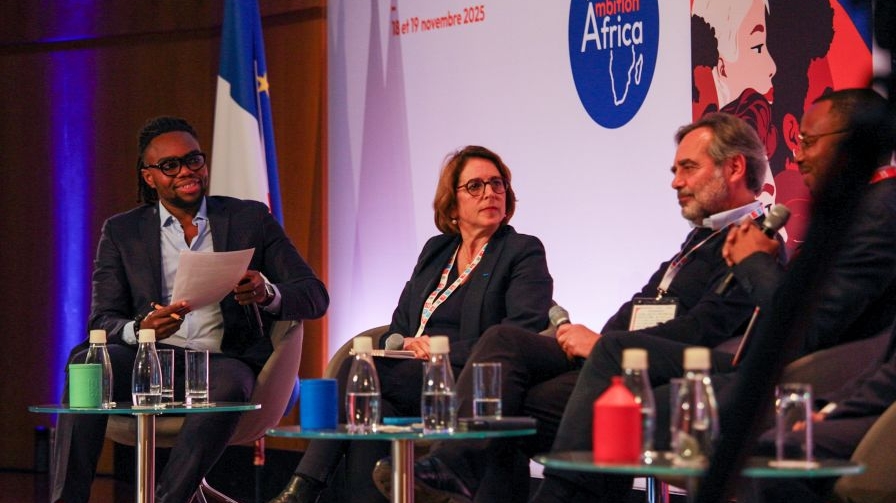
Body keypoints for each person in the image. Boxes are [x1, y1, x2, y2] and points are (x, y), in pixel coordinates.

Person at [372, 112, 772, 503]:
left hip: (660, 371)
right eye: (675, 169)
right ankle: (453, 466)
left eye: (688, 168)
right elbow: (642, 303)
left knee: (506, 400)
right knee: (503, 345)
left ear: (734, 167)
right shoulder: (704, 237)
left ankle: (472, 472)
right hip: (614, 357)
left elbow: (702, 329)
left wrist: (604, 345)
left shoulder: (755, 245)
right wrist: (598, 341)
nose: (676, 181)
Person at [531, 88, 896, 503]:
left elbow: (808, 327)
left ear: (855, 142)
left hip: (803, 376)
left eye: (809, 142)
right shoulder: (854, 211)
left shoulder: (878, 211)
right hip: (756, 362)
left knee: (626, 378)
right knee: (594, 372)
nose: (797, 156)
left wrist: (753, 262)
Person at [51, 116, 330, 503]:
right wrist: (142, 329)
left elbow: (314, 295)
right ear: (149, 177)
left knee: (229, 383)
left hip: (223, 360)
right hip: (149, 360)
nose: (186, 171)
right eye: (170, 165)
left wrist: (267, 293)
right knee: (87, 364)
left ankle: (171, 498)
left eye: (193, 160)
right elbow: (102, 319)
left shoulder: (248, 219)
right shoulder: (122, 232)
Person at [267, 145, 554, 503]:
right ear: (452, 205)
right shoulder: (436, 251)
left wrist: (439, 352)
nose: (490, 193)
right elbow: (398, 326)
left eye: (497, 184)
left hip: (471, 380)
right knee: (374, 412)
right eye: (475, 186)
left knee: (360, 373)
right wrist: (403, 345)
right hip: (411, 377)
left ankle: (304, 487)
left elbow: (521, 331)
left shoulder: (521, 250)